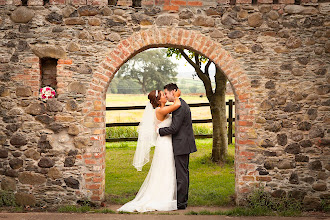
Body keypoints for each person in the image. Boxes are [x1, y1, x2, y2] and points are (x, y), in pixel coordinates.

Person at [117, 89, 181, 213]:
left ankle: (167, 194)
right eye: (163, 95)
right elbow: (177, 104)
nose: (165, 96)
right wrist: (177, 95)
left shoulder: (161, 109)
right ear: (158, 100)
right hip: (164, 144)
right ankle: (163, 196)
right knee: (166, 168)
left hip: (166, 142)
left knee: (166, 168)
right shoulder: (160, 111)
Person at [158, 83, 197, 210]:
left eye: (167, 93)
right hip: (182, 143)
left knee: (182, 175)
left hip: (182, 144)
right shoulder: (178, 104)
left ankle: (181, 204)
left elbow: (174, 128)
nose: (166, 95)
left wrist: (159, 131)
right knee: (183, 173)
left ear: (173, 92)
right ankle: (181, 201)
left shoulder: (180, 107)